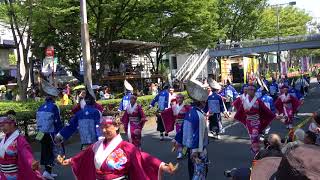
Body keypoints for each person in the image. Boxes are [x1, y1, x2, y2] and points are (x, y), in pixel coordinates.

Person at [56, 116, 177, 180]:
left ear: (116, 127)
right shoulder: (97, 145)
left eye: (107, 127)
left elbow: (143, 158)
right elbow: (83, 155)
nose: (104, 130)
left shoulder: (126, 147)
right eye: (102, 127)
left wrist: (163, 166)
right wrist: (70, 161)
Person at [175, 80, 209, 180]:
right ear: (201, 102)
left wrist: (177, 139)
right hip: (198, 149)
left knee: (192, 171)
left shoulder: (189, 112)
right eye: (204, 101)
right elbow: (197, 134)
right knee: (199, 174)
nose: (205, 103)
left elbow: (182, 128)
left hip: (190, 148)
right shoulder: (199, 115)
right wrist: (195, 151)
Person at [233, 84, 276, 154]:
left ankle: (255, 151)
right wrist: (234, 118)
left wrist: (274, 116)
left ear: (255, 91)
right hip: (248, 122)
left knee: (254, 136)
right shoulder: (244, 101)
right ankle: (257, 150)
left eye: (252, 90)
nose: (250, 91)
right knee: (253, 137)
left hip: (256, 121)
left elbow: (266, 110)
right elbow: (240, 110)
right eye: (249, 89)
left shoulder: (258, 101)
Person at [0, 111, 43, 180]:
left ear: (12, 124)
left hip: (14, 176)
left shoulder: (19, 140)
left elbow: (26, 152)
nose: (2, 129)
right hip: (3, 175)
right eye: (1, 126)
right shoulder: (4, 139)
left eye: (4, 125)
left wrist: (31, 161)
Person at [36, 80, 63, 179]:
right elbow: (57, 121)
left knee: (44, 151)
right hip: (51, 133)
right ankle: (47, 172)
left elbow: (37, 121)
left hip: (41, 133)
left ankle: (47, 171)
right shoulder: (54, 107)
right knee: (52, 152)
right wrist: (60, 134)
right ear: (53, 97)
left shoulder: (41, 107)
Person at [161, 93, 191, 159]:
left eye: (181, 98)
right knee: (178, 139)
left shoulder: (187, 107)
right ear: (176, 99)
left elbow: (191, 115)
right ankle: (180, 153)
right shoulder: (174, 107)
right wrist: (161, 113)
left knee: (185, 138)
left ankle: (185, 150)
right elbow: (167, 112)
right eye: (178, 98)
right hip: (178, 125)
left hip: (185, 125)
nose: (179, 99)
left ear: (183, 99)